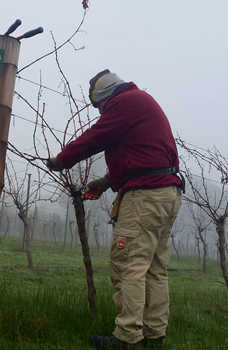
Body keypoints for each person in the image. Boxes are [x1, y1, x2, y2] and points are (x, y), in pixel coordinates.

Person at [46, 69, 183, 349]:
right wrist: (109, 181)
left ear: (104, 98)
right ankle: (154, 334)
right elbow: (145, 155)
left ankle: (127, 336)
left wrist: (62, 160)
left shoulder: (124, 102)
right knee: (154, 269)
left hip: (145, 196)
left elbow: (96, 136)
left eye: (99, 107)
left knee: (128, 265)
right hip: (166, 192)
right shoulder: (141, 102)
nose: (100, 113)